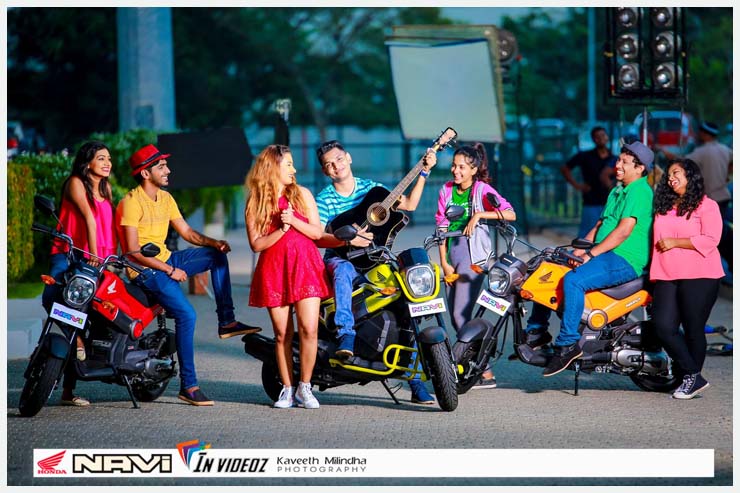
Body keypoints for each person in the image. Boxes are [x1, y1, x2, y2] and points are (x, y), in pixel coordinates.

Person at [118, 144, 260, 407]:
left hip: (166, 259)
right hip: (146, 271)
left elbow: (188, 233)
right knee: (187, 315)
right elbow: (132, 252)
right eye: (161, 166)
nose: (168, 170)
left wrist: (214, 243)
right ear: (146, 173)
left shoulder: (166, 198)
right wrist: (170, 270)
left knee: (216, 256)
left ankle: (226, 321)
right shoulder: (131, 203)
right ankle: (189, 386)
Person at [314, 139, 437, 404]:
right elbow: (318, 237)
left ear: (348, 158)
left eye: (339, 159)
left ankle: (414, 380)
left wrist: (424, 173)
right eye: (329, 164)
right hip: (342, 257)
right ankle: (346, 335)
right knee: (342, 271)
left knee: (405, 299)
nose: (336, 166)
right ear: (325, 170)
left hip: (374, 258)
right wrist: (348, 240)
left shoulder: (372, 189)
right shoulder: (323, 199)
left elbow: (410, 204)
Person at [524, 141, 655, 377]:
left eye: (624, 162)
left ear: (640, 168)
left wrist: (590, 254)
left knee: (574, 280)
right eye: (618, 160)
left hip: (624, 259)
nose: (617, 165)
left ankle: (567, 345)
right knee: (549, 268)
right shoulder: (617, 190)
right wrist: (579, 249)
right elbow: (601, 224)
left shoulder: (640, 191)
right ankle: (537, 331)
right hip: (606, 253)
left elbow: (624, 231)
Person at [245, 145, 329, 409]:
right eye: (288, 164)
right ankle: (287, 389)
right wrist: (281, 230)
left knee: (309, 329)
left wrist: (293, 221)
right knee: (282, 334)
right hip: (274, 270)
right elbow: (256, 244)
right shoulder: (256, 201)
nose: (294, 169)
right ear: (272, 168)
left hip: (305, 267)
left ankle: (305, 386)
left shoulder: (302, 194)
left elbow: (316, 233)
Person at [41, 141, 118, 407]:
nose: (107, 163)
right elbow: (88, 218)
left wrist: (110, 259)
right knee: (53, 297)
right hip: (69, 253)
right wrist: (93, 253)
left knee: (87, 316)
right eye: (101, 158)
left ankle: (68, 390)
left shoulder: (106, 188)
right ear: (87, 162)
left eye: (109, 158)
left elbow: (108, 225)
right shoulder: (75, 183)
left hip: (97, 259)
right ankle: (74, 342)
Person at [435, 143, 516, 389]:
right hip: (452, 257)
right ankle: (479, 368)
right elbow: (440, 228)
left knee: (460, 316)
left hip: (473, 259)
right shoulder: (446, 190)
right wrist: (444, 263)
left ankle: (484, 371)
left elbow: (510, 213)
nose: (455, 170)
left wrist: (480, 215)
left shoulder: (481, 190)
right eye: (454, 165)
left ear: (473, 169)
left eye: (462, 167)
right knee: (457, 317)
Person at [650, 158, 723, 399]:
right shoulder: (664, 205)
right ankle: (693, 375)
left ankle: (689, 380)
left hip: (701, 274)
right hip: (666, 273)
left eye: (676, 173)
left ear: (691, 176)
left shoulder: (707, 205)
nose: (671, 178)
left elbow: (711, 239)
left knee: (693, 329)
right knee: (663, 326)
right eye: (669, 174)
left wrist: (676, 242)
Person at [660, 122, 732, 270]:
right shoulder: (725, 149)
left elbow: (681, 162)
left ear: (705, 134)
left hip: (710, 198)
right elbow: (732, 164)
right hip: (724, 196)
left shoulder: (701, 152)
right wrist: (726, 176)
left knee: (709, 236)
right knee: (720, 233)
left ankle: (715, 267)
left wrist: (665, 152)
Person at [560, 126, 616, 238]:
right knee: (586, 236)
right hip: (591, 202)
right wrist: (577, 186)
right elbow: (565, 168)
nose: (601, 138)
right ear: (594, 139)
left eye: (603, 135)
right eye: (597, 137)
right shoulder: (585, 156)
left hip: (609, 202)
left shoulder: (614, 159)